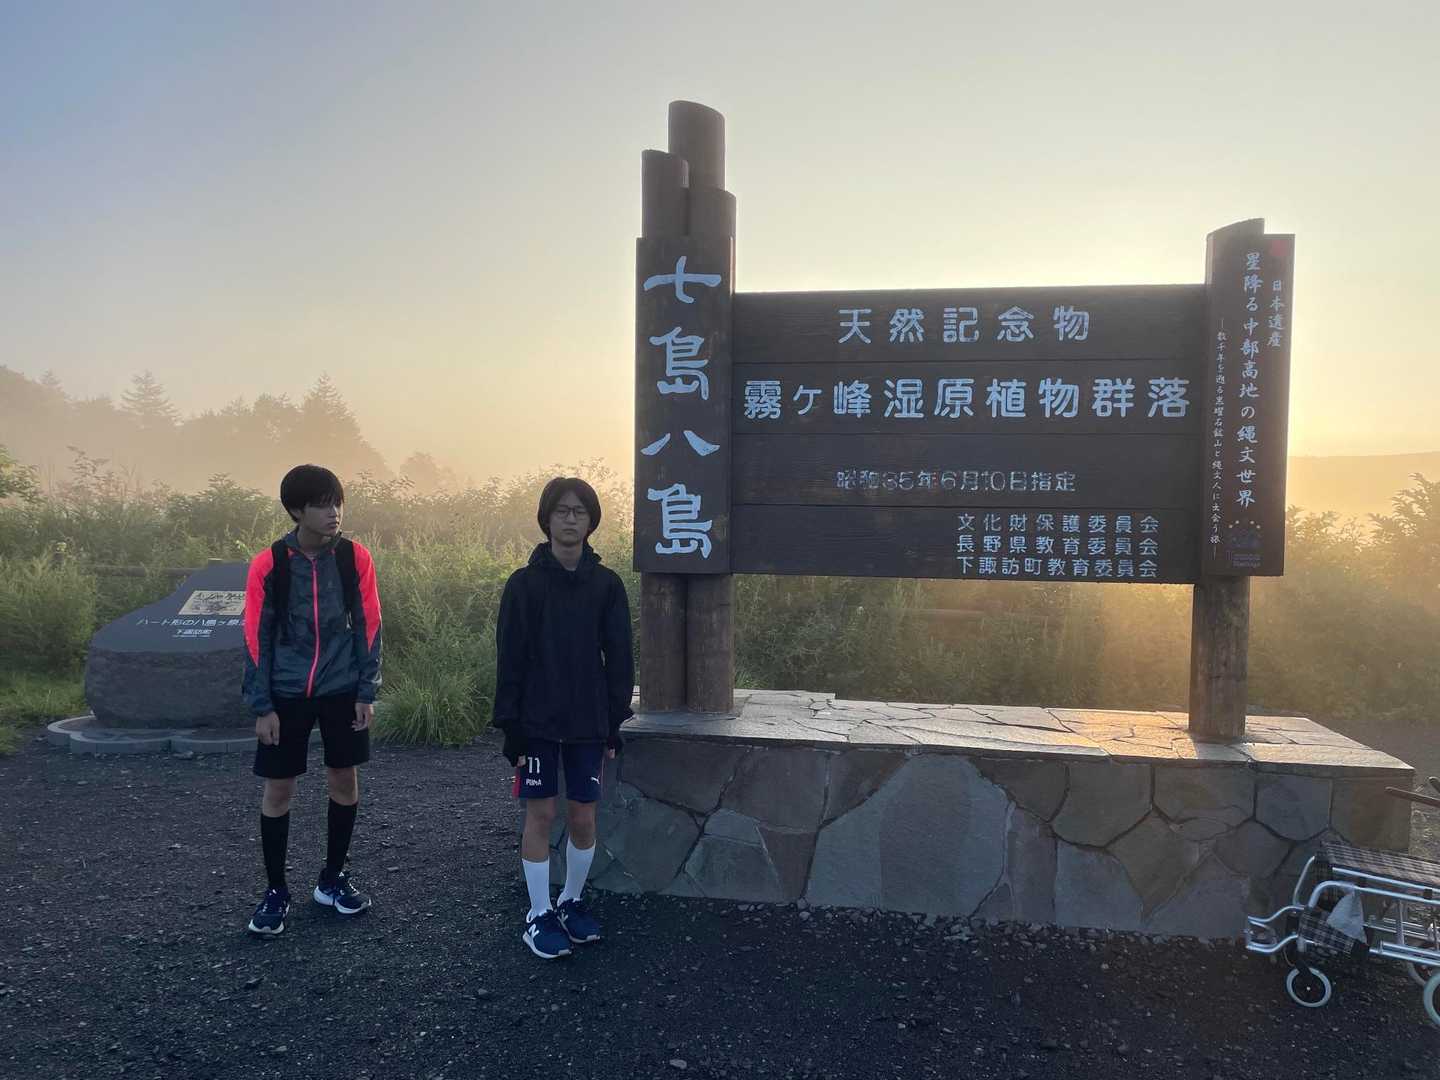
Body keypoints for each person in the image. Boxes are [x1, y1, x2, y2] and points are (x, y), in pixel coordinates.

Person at [494, 477, 634, 960]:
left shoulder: (607, 585)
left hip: (587, 722)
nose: (571, 519)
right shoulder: (523, 585)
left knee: (583, 815)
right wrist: (510, 727)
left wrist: (613, 722)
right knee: (540, 813)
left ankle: (571, 900)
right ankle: (538, 913)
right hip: (535, 722)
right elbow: (509, 658)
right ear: (546, 518)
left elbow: (620, 659)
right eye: (561, 511)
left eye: (579, 511)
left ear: (591, 520)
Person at [241, 464, 382, 936]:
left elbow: (369, 623)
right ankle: (275, 891)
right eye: (322, 504)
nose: (334, 512)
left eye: (337, 502)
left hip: (341, 688)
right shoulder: (270, 564)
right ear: (297, 511)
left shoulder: (354, 558)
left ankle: (332, 879)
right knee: (279, 789)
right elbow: (255, 637)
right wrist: (262, 706)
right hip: (286, 692)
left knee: (345, 781)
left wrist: (366, 690)